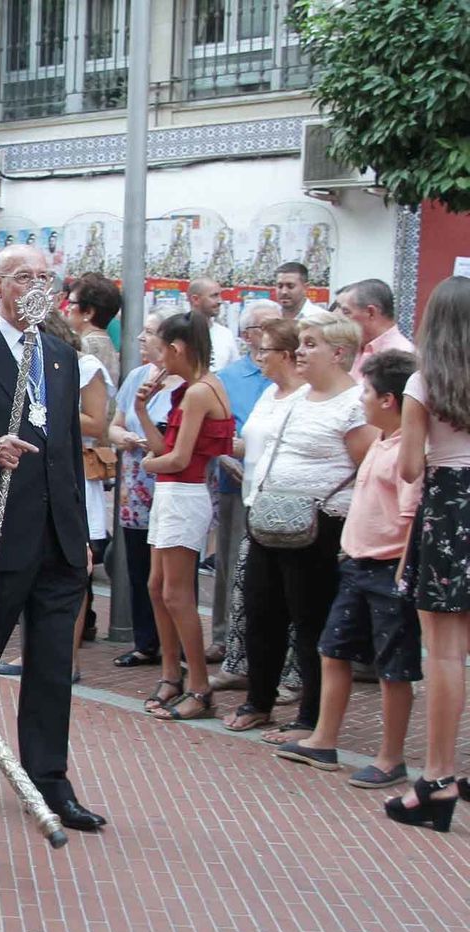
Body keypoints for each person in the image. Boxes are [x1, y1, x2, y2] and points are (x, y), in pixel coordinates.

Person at [0, 245, 105, 831]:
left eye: (45, 275)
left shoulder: (61, 355)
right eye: (24, 275)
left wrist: (79, 533)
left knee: (53, 665)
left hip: (57, 540)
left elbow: (67, 455)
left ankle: (50, 781)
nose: (37, 284)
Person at [274, 351, 421, 784]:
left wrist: (403, 572)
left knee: (394, 667)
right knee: (332, 649)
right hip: (357, 562)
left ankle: (391, 757)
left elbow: (412, 516)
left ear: (390, 400)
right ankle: (323, 738)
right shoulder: (381, 440)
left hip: (388, 567)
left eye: (369, 393)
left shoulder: (407, 452)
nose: (362, 400)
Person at [232, 311, 376, 741]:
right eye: (301, 344)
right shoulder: (294, 397)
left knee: (310, 620)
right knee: (261, 611)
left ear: (339, 353)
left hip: (320, 526)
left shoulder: (355, 404)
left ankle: (310, 717)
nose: (301, 352)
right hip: (270, 518)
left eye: (311, 344)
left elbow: (367, 467)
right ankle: (260, 701)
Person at [389, 275, 470, 830]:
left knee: (444, 652)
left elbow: (411, 468)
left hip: (448, 506)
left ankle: (438, 777)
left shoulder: (425, 383)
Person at [133, 313, 232, 719]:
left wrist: (147, 466)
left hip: (184, 494)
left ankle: (199, 686)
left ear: (177, 349)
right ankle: (172, 673)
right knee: (158, 587)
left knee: (177, 593)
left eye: (164, 351)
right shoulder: (193, 389)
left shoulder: (198, 392)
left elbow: (176, 458)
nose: (160, 362)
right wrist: (141, 411)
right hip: (175, 494)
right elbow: (165, 449)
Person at [215, 318, 306, 713]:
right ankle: (256, 681)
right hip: (257, 507)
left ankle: (293, 679)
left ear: (286, 354)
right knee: (253, 598)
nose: (258, 357)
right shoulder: (269, 394)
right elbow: (249, 445)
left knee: (294, 605)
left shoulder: (305, 398)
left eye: (264, 350)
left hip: (293, 513)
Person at [108, 312, 185, 668]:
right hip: (136, 482)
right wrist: (124, 438)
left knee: (174, 568)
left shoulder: (187, 384)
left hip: (172, 485)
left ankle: (179, 645)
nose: (141, 338)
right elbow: (115, 425)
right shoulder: (137, 377)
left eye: (151, 332)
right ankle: (146, 641)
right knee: (140, 566)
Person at [205, 299, 277, 658]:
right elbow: (212, 430)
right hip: (237, 482)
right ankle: (224, 637)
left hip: (278, 488)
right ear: (248, 335)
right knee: (230, 562)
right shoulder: (228, 378)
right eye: (263, 328)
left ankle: (258, 643)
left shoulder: (291, 377)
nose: (270, 336)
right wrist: (224, 452)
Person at [64, 276, 117, 668]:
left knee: (78, 559)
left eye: (73, 304)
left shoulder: (91, 350)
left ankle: (70, 656)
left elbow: (97, 421)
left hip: (81, 465)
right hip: (68, 464)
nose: (67, 310)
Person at [335, 278, 414, 380]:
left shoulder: (401, 357)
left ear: (371, 312)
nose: (337, 318)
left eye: (346, 312)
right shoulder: (352, 347)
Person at [186, 275, 238, 369]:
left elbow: (235, 371)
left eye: (220, 295)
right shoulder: (177, 331)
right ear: (195, 299)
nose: (220, 301)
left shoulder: (225, 334)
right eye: (214, 296)